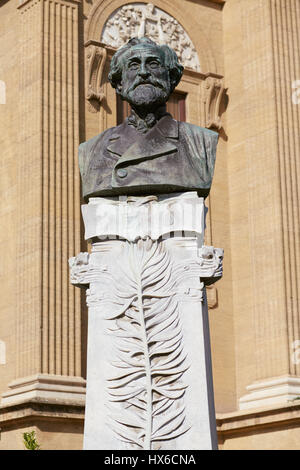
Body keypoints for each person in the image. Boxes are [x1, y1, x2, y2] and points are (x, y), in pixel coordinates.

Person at [79, 37, 218, 201]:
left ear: (171, 78)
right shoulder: (92, 149)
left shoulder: (200, 141)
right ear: (120, 84)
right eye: (133, 65)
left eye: (153, 64)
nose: (143, 72)